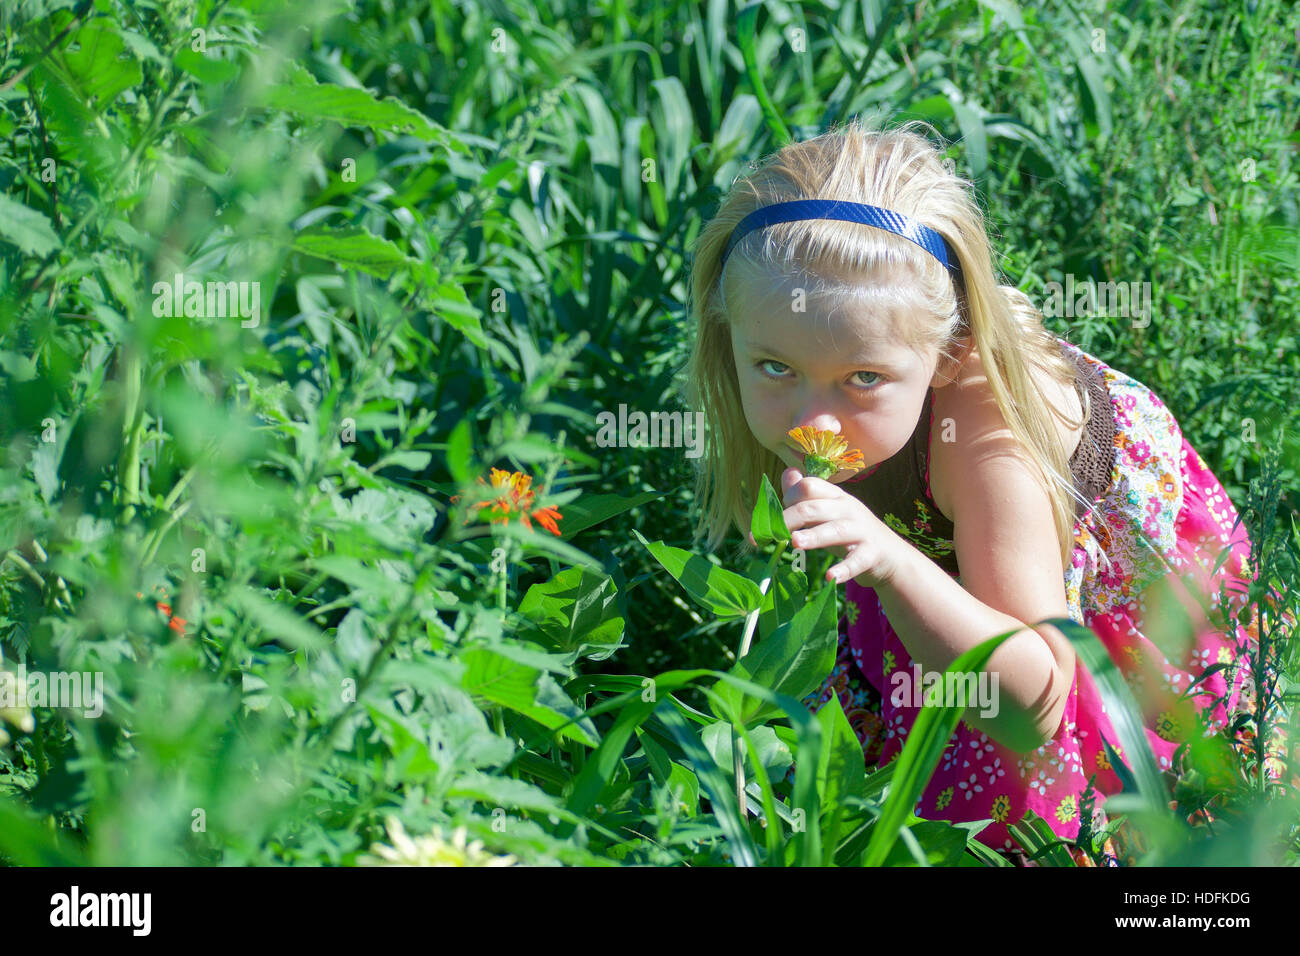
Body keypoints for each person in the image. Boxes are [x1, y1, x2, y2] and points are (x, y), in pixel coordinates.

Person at [680, 118, 1294, 866]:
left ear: (949, 352)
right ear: (729, 335)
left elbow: (1035, 701)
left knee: (1038, 827)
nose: (814, 420)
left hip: (1090, 623)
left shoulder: (986, 441)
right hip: (955, 557)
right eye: (774, 367)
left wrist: (894, 561)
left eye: (863, 379)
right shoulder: (837, 387)